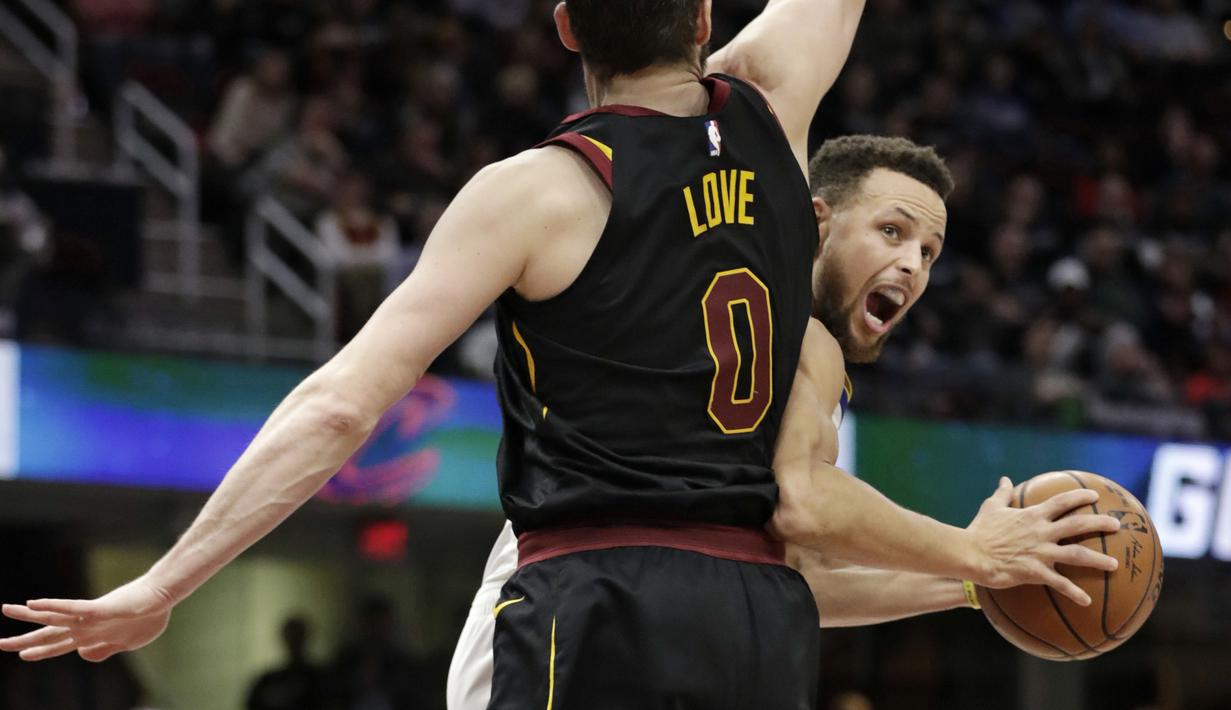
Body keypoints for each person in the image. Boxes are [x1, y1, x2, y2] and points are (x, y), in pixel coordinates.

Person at [0, 3, 1117, 709]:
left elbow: (341, 407)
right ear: (704, 14)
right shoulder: (774, 110)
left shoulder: (539, 189)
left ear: (564, 24)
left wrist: (163, 583)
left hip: (595, 593)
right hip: (756, 611)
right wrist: (968, 565)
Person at [444, 135, 1121, 709]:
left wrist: (972, 584)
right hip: (564, 612)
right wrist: (971, 551)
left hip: (618, 610)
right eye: (892, 231)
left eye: (929, 252)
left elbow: (792, 576)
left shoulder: (764, 328)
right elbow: (804, 503)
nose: (911, 265)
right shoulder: (797, 334)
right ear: (817, 223)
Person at [245, 615, 325, 710]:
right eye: (291, 637)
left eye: (296, 637)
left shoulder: (320, 678)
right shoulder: (268, 680)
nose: (293, 642)